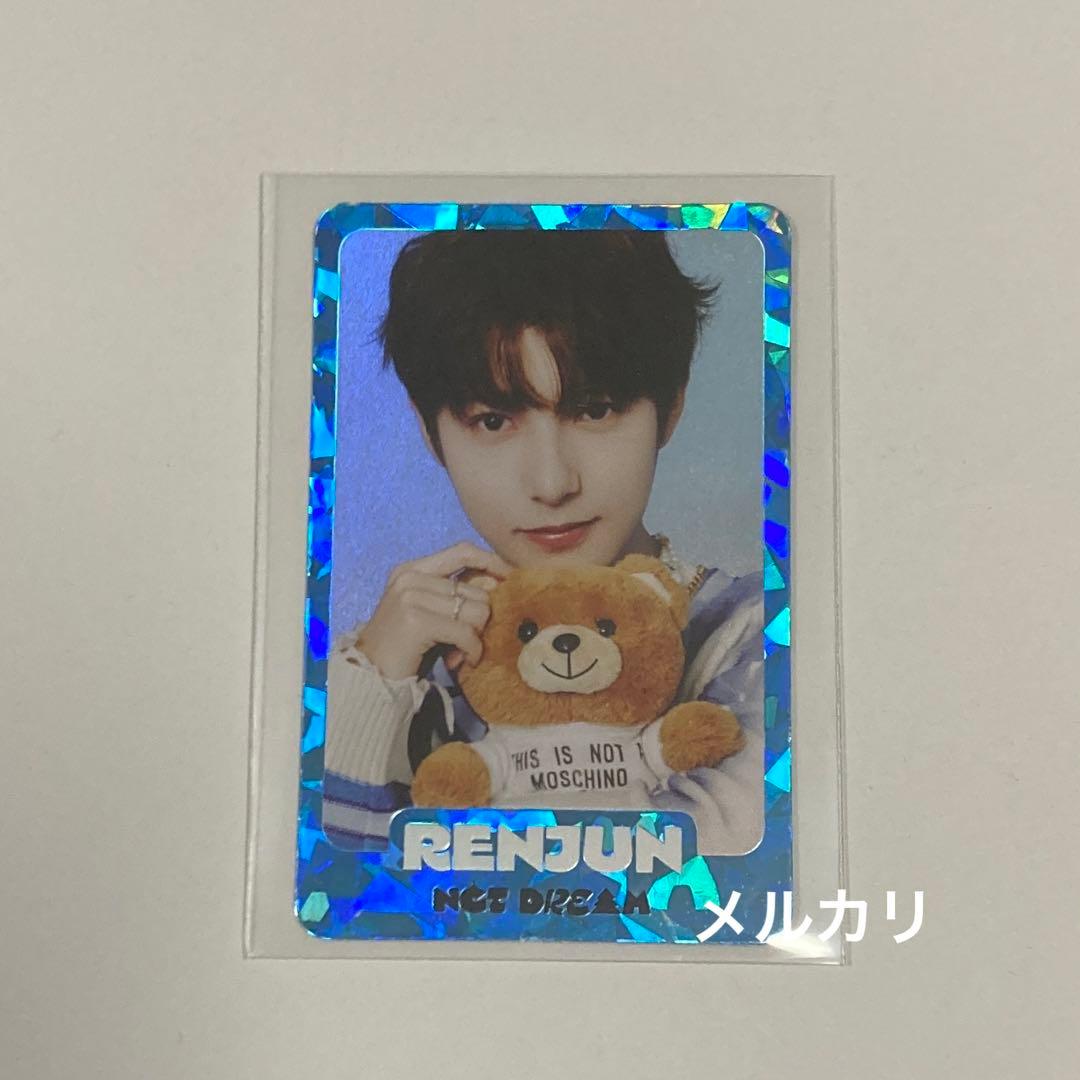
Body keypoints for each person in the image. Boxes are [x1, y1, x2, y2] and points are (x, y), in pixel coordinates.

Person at [322, 229, 764, 855]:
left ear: (669, 409)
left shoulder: (753, 633)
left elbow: (713, 877)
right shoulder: (401, 656)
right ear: (429, 432)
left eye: (595, 410)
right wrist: (376, 682)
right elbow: (348, 889)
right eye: (493, 421)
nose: (552, 484)